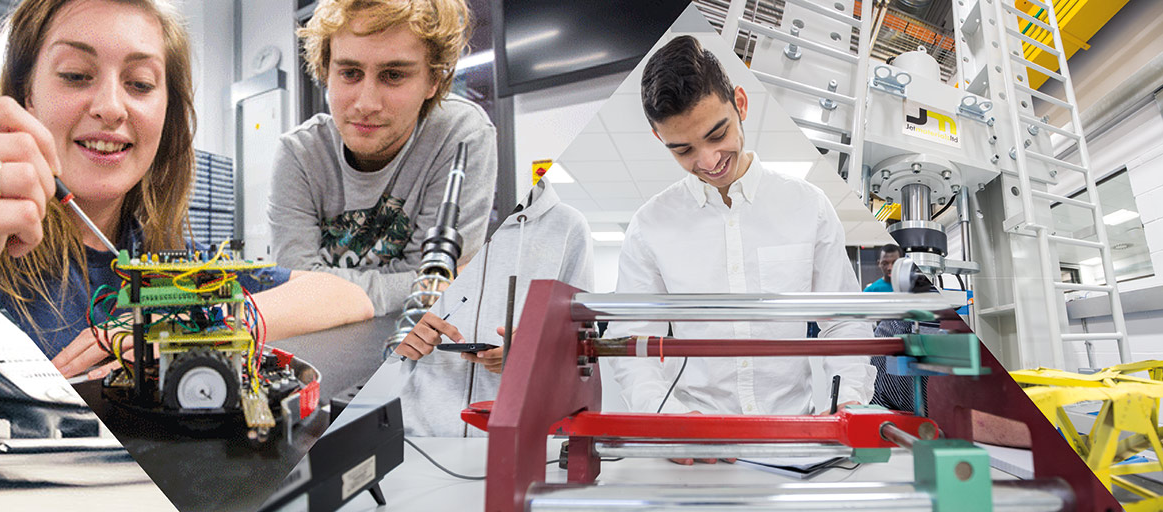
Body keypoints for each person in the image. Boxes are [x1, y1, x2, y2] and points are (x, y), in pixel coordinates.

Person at [0, 0, 373, 379]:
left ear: (167, 114)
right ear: (27, 96)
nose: (111, 107)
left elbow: (347, 296)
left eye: (140, 83)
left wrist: (188, 328)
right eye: (75, 74)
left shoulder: (175, 267)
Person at [606, 35, 875, 463]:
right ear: (660, 139)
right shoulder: (649, 226)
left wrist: (852, 399)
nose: (709, 160)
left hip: (797, 441)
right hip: (696, 447)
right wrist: (666, 416)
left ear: (741, 105)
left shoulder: (810, 207)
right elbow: (630, 342)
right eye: (684, 150)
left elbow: (843, 323)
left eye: (718, 134)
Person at [269, 0, 496, 316]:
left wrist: (323, 291)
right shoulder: (299, 154)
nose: (366, 103)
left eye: (392, 75)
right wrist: (414, 284)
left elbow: (440, 288)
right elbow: (292, 285)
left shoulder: (460, 136)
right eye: (350, 73)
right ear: (325, 72)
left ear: (433, 81)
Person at [385, 182, 593, 437]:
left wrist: (534, 350)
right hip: (418, 434)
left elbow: (580, 341)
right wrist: (402, 333)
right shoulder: (433, 216)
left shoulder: (568, 226)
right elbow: (385, 314)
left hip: (518, 438)